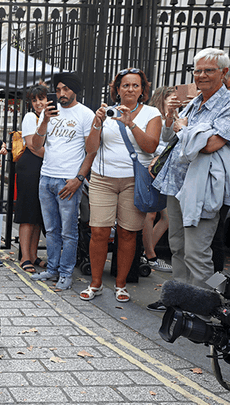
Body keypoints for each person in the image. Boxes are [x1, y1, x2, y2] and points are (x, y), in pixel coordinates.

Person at [80, 68, 161, 303]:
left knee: (127, 233)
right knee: (99, 232)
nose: (130, 89)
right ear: (117, 89)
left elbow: (150, 146)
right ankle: (95, 283)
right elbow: (90, 149)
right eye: (125, 85)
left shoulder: (152, 113)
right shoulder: (106, 112)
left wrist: (130, 124)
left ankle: (121, 284)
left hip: (133, 181)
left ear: (142, 90)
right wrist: (97, 124)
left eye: (135, 85)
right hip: (103, 179)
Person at [152, 48, 230, 288]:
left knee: (197, 253)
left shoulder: (227, 105)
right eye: (197, 71)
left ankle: (201, 306)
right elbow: (170, 138)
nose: (201, 75)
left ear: (224, 72)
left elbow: (210, 145)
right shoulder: (194, 102)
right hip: (176, 185)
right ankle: (178, 299)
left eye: (209, 70)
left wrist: (184, 129)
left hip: (202, 190)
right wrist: (170, 117)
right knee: (177, 246)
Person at [29, 72, 96, 292]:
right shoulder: (48, 112)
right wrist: (45, 120)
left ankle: (66, 273)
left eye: (66, 89)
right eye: (58, 90)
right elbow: (36, 145)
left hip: (68, 180)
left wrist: (79, 179)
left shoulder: (85, 114)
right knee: (51, 229)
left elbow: (91, 151)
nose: (61, 94)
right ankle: (53, 269)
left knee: (69, 231)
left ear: (75, 90)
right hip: (46, 177)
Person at [141, 86, 178, 282]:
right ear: (161, 99)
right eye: (171, 98)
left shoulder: (175, 119)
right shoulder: (153, 118)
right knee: (150, 214)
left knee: (165, 217)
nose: (174, 101)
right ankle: (149, 255)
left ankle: (147, 252)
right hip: (151, 169)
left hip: (165, 173)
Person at [15, 84, 48, 273]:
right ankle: (25, 257)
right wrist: (55, 157)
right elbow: (32, 145)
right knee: (27, 214)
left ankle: (34, 256)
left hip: (44, 168)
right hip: (30, 167)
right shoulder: (30, 117)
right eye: (34, 100)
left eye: (41, 98)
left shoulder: (51, 117)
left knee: (37, 215)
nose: (38, 103)